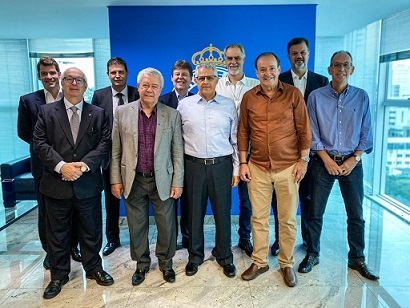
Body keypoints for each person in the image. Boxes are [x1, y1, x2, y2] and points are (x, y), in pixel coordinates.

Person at [33, 67, 114, 299]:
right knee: (57, 233)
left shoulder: (97, 113)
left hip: (86, 183)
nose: (74, 83)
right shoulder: (46, 112)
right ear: (62, 82)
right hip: (56, 184)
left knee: (91, 231)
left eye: (79, 80)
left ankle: (94, 268)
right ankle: (58, 275)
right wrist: (62, 167)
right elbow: (39, 143)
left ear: (85, 85)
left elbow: (104, 143)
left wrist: (83, 166)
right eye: (69, 79)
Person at [298, 51, 379, 281]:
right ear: (329, 69)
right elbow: (311, 132)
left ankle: (357, 258)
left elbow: (366, 132)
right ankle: (313, 254)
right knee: (315, 212)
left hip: (352, 163)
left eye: (345, 65)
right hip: (323, 163)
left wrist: (355, 159)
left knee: (356, 214)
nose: (341, 69)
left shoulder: (361, 97)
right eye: (336, 65)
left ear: (352, 69)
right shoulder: (315, 96)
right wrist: (326, 159)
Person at [238, 52, 312, 287]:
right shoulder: (249, 97)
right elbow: (243, 132)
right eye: (262, 69)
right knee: (258, 218)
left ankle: (286, 263)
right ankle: (260, 261)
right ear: (256, 72)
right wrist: (242, 162)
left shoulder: (293, 94)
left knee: (287, 219)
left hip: (288, 166)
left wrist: (304, 160)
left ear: (279, 68)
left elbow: (304, 129)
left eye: (271, 68)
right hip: (257, 166)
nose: (267, 73)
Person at [110, 68, 184, 285]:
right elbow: (115, 150)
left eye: (154, 86)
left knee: (167, 225)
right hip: (133, 180)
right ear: (138, 86)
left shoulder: (172, 114)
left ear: (161, 89)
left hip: (162, 180)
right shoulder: (123, 112)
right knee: (136, 225)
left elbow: (177, 151)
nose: (149, 90)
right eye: (145, 85)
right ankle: (141, 264)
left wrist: (177, 181)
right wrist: (115, 179)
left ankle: (166, 263)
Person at [17, 56, 82, 270]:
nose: (49, 77)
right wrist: (49, 153)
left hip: (72, 166)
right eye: (44, 73)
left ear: (59, 74)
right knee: (46, 211)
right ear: (39, 76)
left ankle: (73, 246)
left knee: (73, 207)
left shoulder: (71, 94)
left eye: (52, 72)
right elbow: (25, 132)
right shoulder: (28, 101)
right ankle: (51, 252)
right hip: (44, 166)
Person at [177, 62, 239, 279]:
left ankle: (224, 257)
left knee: (222, 213)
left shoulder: (228, 105)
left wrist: (236, 169)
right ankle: (195, 257)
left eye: (210, 78)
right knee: (194, 213)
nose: (205, 82)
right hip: (193, 166)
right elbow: (177, 140)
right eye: (201, 78)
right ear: (195, 80)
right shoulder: (184, 105)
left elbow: (235, 138)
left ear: (216, 80)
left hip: (221, 165)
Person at [270, 38, 329, 256]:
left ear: (309, 53)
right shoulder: (279, 79)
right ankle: (279, 240)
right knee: (281, 202)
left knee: (310, 201)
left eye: (302, 52)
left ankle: (308, 241)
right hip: (284, 153)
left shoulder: (322, 82)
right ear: (288, 56)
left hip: (313, 155)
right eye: (294, 53)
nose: (299, 57)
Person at [91, 57, 139, 256]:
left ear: (127, 73)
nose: (117, 75)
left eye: (120, 72)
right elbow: (93, 126)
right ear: (108, 74)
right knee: (111, 202)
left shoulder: (137, 93)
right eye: (113, 72)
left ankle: (138, 238)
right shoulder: (99, 95)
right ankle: (113, 239)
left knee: (135, 199)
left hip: (134, 155)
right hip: (109, 157)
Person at [215, 43, 260, 257]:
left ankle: (245, 238)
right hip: (222, 152)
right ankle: (221, 242)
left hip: (250, 152)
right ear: (225, 60)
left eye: (237, 58)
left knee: (247, 199)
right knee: (221, 200)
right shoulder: (216, 85)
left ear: (244, 59)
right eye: (229, 58)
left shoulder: (255, 85)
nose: (233, 62)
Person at [158, 60, 195, 249]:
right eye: (177, 74)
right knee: (169, 203)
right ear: (172, 77)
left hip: (189, 159)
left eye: (184, 75)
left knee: (188, 202)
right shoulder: (162, 101)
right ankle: (170, 239)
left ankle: (188, 237)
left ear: (191, 79)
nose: (181, 78)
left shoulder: (197, 99)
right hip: (166, 161)